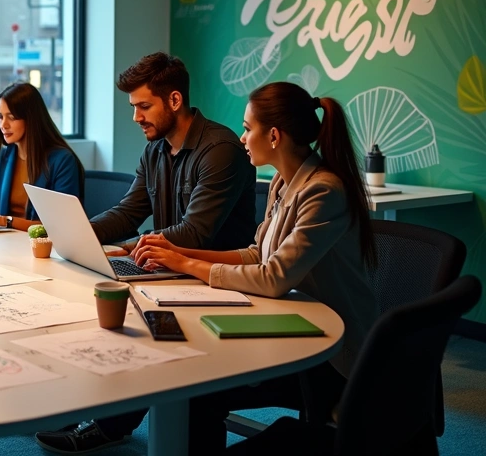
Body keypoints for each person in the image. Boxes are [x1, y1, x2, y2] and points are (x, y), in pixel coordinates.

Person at [129, 81, 379, 453]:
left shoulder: (322, 190)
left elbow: (273, 277)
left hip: (330, 356)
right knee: (198, 383)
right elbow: (255, 254)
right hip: (293, 322)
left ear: (274, 135)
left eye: (248, 129)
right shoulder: (283, 181)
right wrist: (178, 252)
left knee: (200, 392)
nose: (242, 138)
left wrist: (183, 261)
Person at [35, 53, 258, 453]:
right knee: (100, 310)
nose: (136, 117)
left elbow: (196, 232)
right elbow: (129, 211)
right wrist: (74, 229)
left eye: (143, 106)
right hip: (169, 273)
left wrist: (135, 243)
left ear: (174, 100)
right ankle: (110, 421)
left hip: (218, 283)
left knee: (131, 327)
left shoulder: (220, 149)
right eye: (134, 107)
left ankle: (116, 424)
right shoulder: (155, 150)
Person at [0, 82, 84, 231]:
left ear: (31, 119)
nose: (3, 125)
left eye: (12, 117)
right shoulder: (4, 156)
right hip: (8, 243)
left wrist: (3, 220)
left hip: (41, 247)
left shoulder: (62, 161)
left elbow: (60, 225)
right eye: (0, 117)